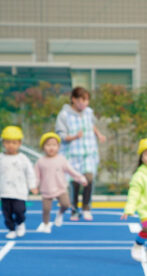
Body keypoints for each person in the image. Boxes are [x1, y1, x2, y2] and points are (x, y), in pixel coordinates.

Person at [0, 126, 38, 239]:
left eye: (14, 142)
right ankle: (11, 229)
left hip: (20, 192)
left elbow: (30, 173)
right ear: (3, 143)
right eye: (7, 142)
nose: (10, 145)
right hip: (5, 192)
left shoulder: (23, 159)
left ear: (19, 144)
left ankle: (20, 223)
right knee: (7, 213)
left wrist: (32, 186)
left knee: (19, 210)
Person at [55, 86, 106, 221]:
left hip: (89, 152)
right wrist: (74, 137)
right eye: (81, 100)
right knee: (75, 182)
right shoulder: (64, 115)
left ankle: (86, 208)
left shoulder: (88, 112)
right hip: (72, 154)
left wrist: (99, 135)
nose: (84, 103)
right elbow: (60, 135)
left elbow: (92, 125)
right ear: (73, 99)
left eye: (87, 100)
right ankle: (74, 209)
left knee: (89, 179)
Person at [34, 132, 88, 233]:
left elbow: (71, 171)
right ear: (43, 147)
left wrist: (81, 178)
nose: (51, 148)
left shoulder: (61, 160)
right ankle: (46, 224)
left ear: (58, 147)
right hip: (46, 190)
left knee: (66, 204)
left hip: (61, 188)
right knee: (46, 209)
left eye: (54, 145)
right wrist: (34, 186)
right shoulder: (40, 161)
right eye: (48, 145)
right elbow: (36, 176)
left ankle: (60, 214)